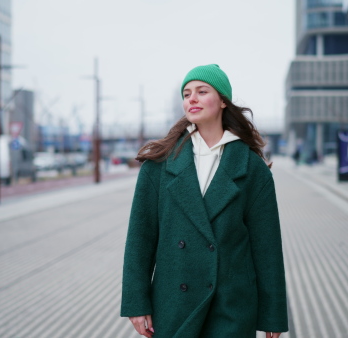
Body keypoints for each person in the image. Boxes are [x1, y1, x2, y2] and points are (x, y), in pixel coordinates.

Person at [121, 64, 288, 338]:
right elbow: (140, 240)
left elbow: (267, 249)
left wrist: (272, 316)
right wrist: (136, 303)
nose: (192, 99)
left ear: (223, 101)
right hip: (173, 304)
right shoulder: (159, 166)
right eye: (186, 94)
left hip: (232, 307)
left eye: (201, 91)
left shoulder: (252, 169)